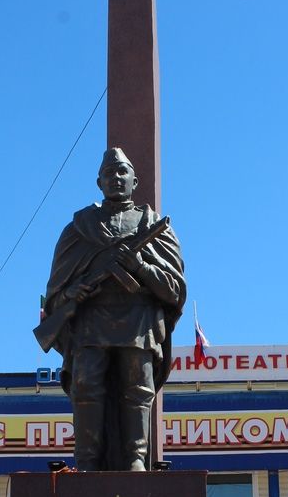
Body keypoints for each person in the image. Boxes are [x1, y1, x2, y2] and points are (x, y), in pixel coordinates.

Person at [41, 148, 186, 470]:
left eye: (123, 173)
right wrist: (72, 293)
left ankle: (136, 460)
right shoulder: (78, 228)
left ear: (135, 181)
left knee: (138, 388)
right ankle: (87, 462)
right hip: (91, 320)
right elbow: (54, 292)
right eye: (110, 174)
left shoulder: (154, 227)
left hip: (139, 320)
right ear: (99, 182)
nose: (116, 178)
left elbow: (174, 290)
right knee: (86, 386)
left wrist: (141, 267)